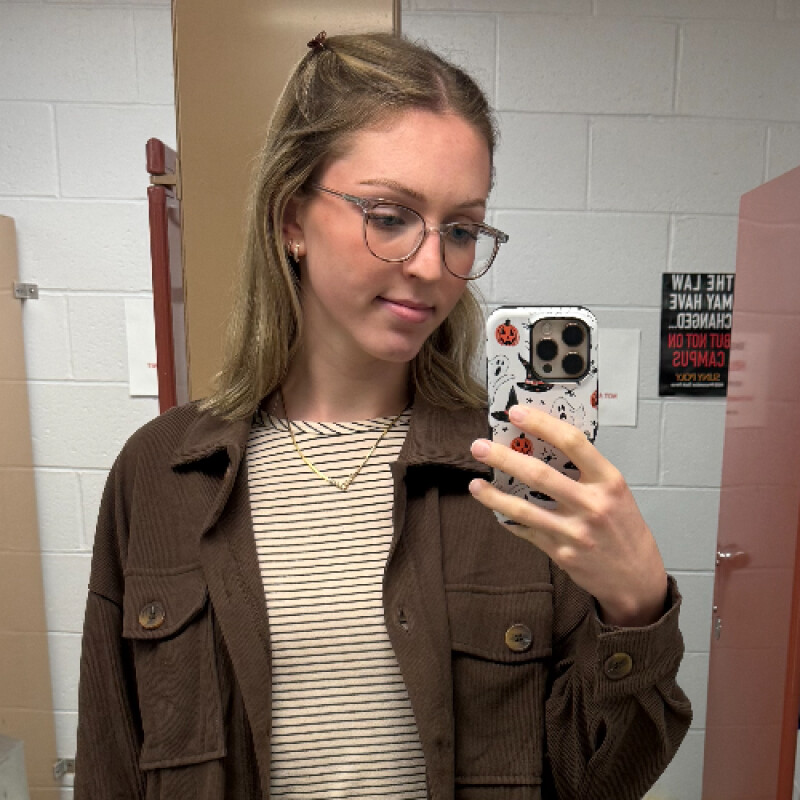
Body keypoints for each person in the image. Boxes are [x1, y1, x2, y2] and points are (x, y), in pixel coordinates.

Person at [75, 30, 691, 800]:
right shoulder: (161, 474)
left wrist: (634, 609)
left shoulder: (512, 476)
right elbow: (110, 758)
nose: (433, 266)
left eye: (461, 229)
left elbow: (595, 782)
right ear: (291, 219)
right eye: (391, 216)